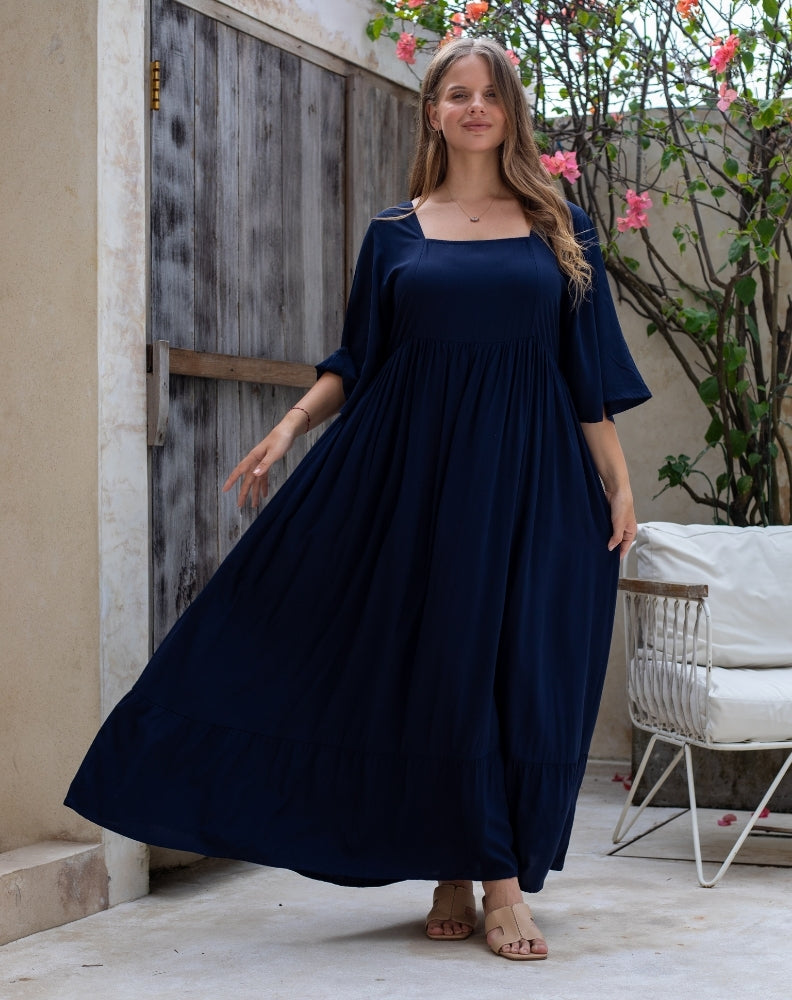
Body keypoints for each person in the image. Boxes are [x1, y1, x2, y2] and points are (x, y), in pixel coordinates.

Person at [66, 37, 650, 963]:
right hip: (416, 481)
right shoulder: (395, 234)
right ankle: (491, 885)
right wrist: (292, 425)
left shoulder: (560, 230)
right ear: (433, 112)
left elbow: (587, 381)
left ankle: (467, 869)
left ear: (511, 113)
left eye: (488, 96)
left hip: (536, 481)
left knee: (513, 670)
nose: (473, 108)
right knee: (444, 665)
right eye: (455, 94)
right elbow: (360, 360)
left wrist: (620, 488)